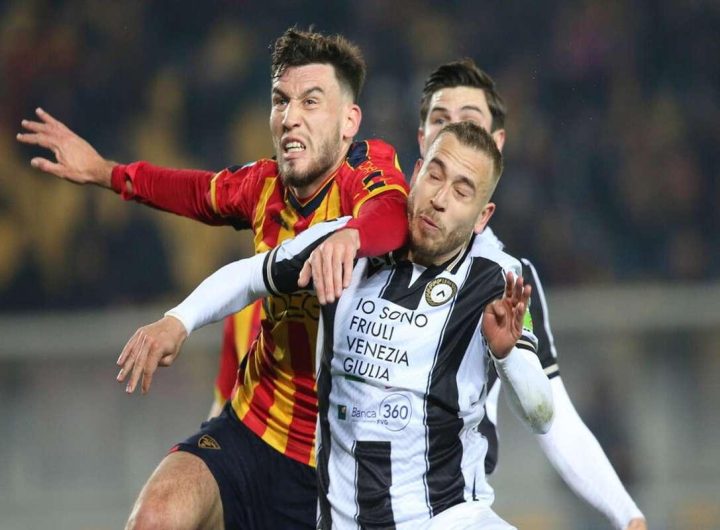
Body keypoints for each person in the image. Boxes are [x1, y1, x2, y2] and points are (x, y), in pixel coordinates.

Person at [18, 28, 410, 529]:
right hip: (252, 430)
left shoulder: (366, 168)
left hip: (341, 469)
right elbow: (196, 191)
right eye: (281, 101)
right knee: (155, 518)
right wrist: (107, 173)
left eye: (311, 102)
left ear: (349, 120)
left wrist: (353, 237)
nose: (290, 117)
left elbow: (391, 213)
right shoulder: (263, 185)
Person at [119, 121, 555, 529]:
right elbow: (252, 275)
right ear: (416, 173)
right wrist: (179, 320)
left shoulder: (497, 280)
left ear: (482, 217)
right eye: (435, 176)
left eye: (462, 192)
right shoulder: (350, 242)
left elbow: (541, 414)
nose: (439, 199)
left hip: (451, 518)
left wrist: (506, 355)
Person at [416, 59, 646, 530]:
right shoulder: (360, 245)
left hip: (453, 512)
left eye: (470, 120)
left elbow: (552, 417)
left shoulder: (506, 280)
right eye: (440, 119)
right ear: (423, 140)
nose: (455, 131)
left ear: (496, 144)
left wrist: (628, 516)